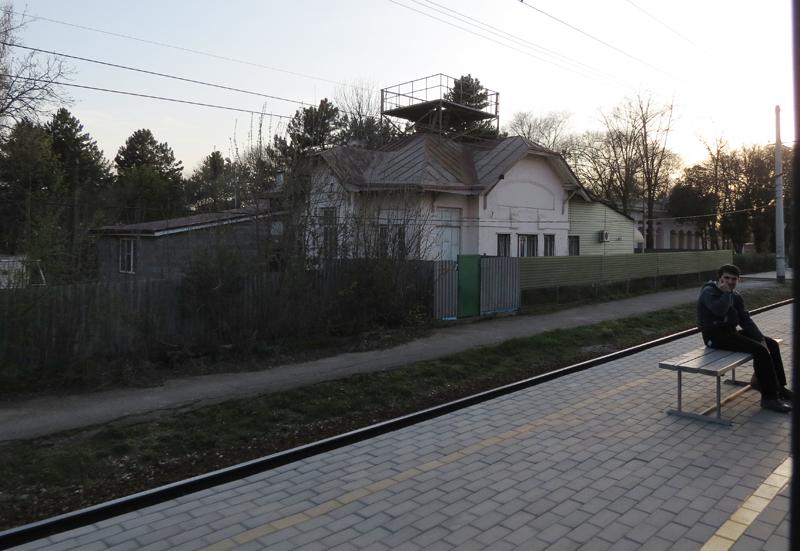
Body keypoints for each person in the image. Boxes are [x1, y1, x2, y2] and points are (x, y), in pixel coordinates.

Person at [696, 264, 793, 413]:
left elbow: (745, 320)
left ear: (738, 280)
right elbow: (719, 310)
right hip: (715, 337)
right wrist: (726, 293)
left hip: (730, 333)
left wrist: (760, 338)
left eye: (733, 279)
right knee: (760, 351)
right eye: (726, 278)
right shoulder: (708, 292)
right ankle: (769, 398)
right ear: (719, 279)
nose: (729, 282)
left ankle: (779, 387)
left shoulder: (735, 296)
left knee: (771, 344)